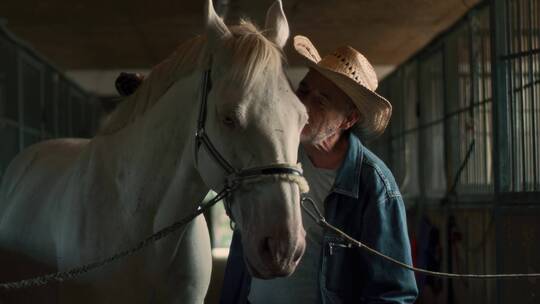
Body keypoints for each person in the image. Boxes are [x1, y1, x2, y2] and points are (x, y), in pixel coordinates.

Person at [219, 35, 418, 303]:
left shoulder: (374, 184)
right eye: (303, 91)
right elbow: (243, 248)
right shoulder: (274, 154)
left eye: (322, 101)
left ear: (349, 119)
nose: (304, 105)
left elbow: (394, 292)